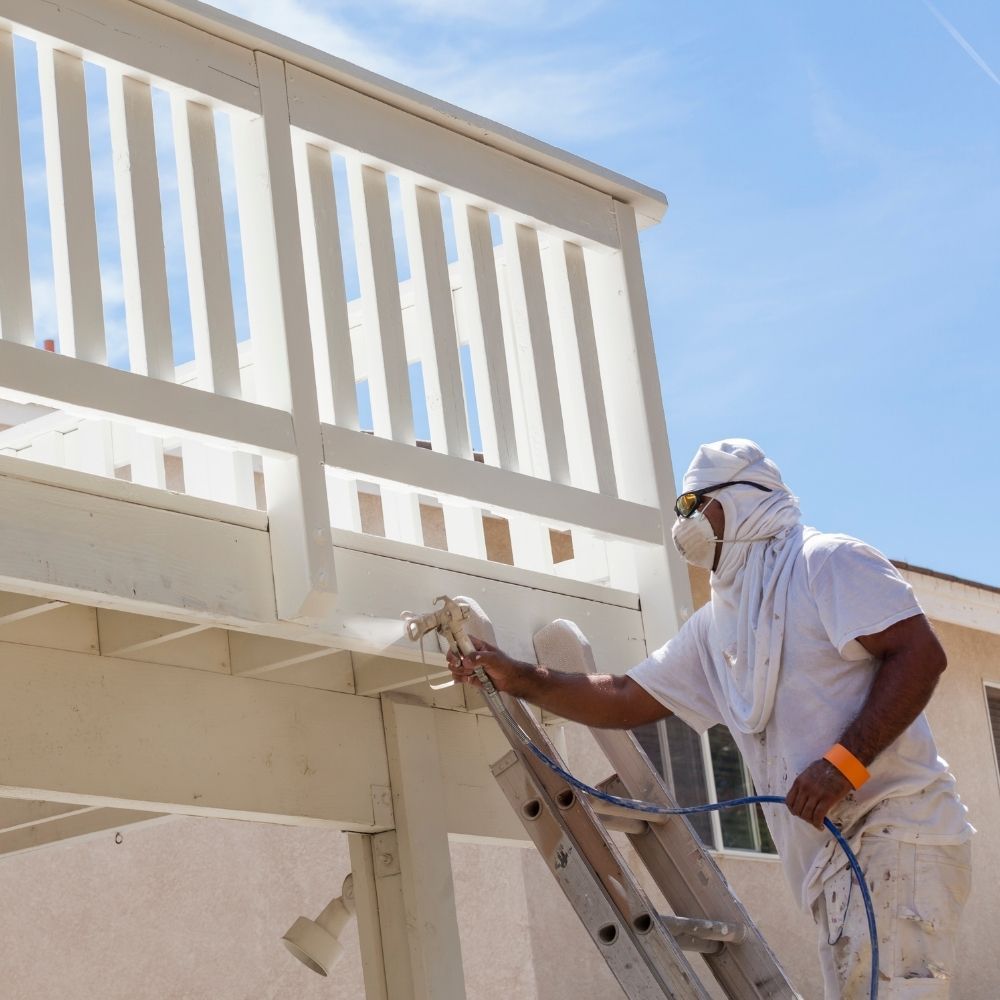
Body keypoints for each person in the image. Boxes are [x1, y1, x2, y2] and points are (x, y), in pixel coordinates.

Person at [448, 438, 972, 999]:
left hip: (897, 830)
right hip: (833, 864)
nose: (686, 522)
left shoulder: (826, 562)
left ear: (744, 500)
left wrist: (842, 764)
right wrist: (520, 678)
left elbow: (920, 654)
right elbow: (626, 697)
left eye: (695, 503)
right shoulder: (719, 623)